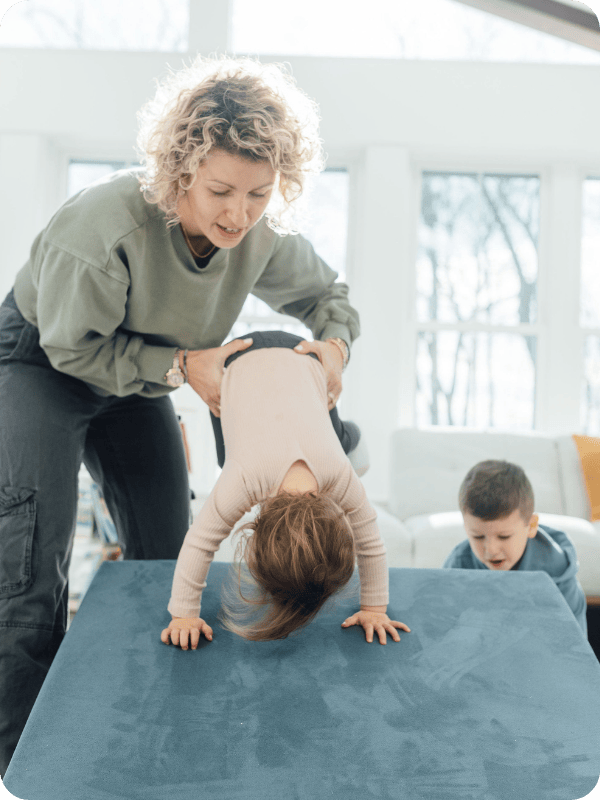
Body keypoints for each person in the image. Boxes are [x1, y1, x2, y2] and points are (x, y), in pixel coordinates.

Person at [0, 55, 360, 775]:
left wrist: (333, 351)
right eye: (221, 190)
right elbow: (72, 347)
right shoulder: (99, 232)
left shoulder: (253, 236)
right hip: (44, 360)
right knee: (28, 569)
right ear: (178, 174)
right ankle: (21, 766)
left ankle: (151, 733)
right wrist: (178, 367)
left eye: (259, 195)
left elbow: (331, 297)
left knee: (168, 557)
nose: (238, 213)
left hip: (151, 371)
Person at [160, 331, 411, 647]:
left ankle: (340, 432)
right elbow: (199, 542)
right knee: (228, 454)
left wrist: (375, 608)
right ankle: (340, 433)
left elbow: (369, 540)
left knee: (239, 453)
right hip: (254, 360)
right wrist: (183, 614)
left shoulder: (336, 475)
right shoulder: (243, 478)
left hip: (302, 359)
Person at [443, 460, 587, 634]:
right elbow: (440, 623)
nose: (491, 550)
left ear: (531, 526)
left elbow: (576, 645)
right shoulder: (458, 565)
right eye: (478, 536)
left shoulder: (558, 569)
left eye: (504, 536)